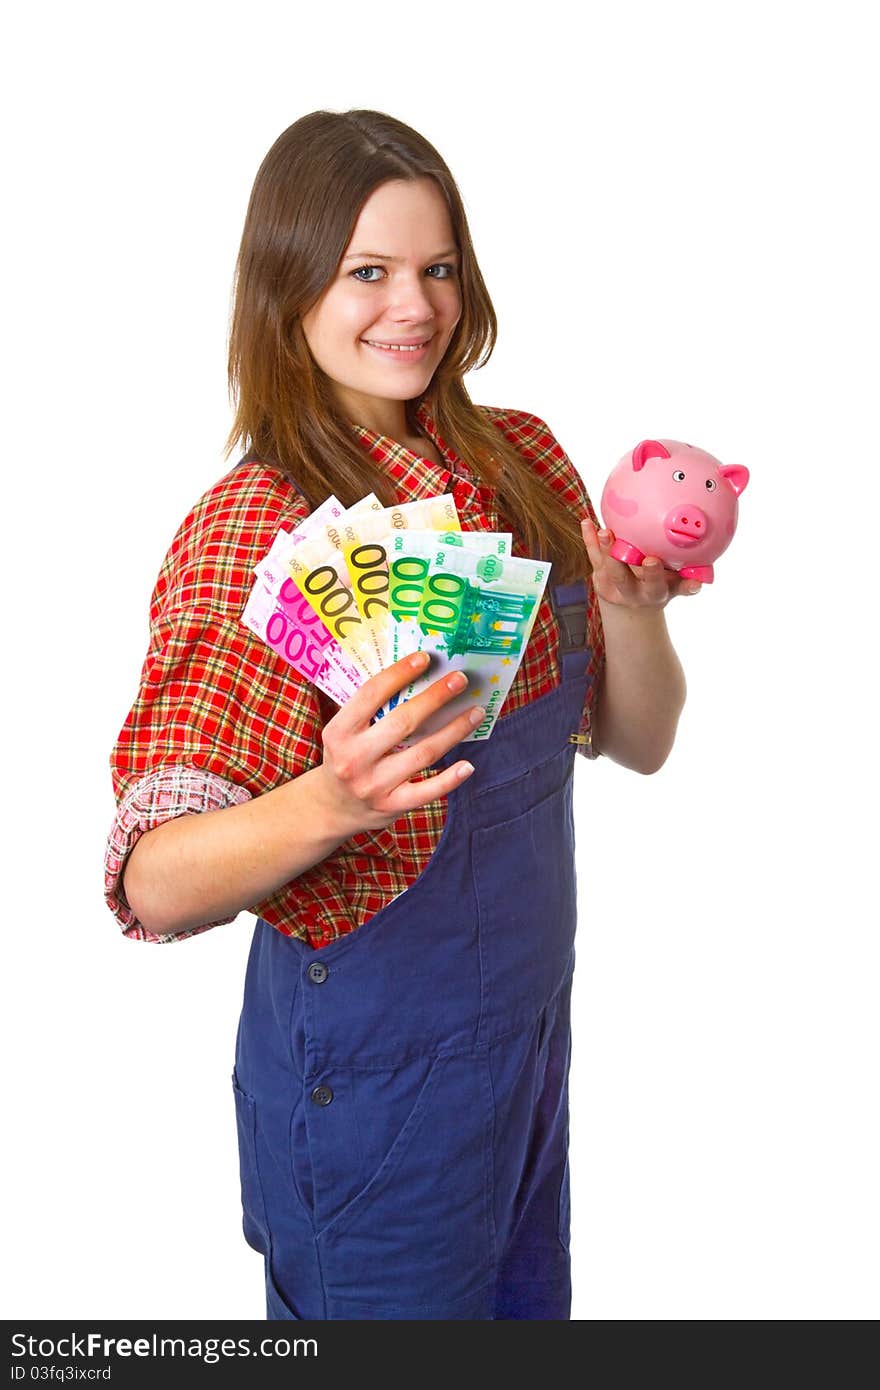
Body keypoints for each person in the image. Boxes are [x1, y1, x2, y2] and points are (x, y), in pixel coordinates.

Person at [104, 109, 696, 1321]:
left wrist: (634, 611)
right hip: (371, 1090)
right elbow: (152, 881)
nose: (411, 306)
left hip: (526, 1047)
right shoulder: (253, 533)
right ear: (287, 288)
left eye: (435, 268)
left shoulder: (521, 462)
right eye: (365, 271)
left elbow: (637, 742)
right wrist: (332, 796)